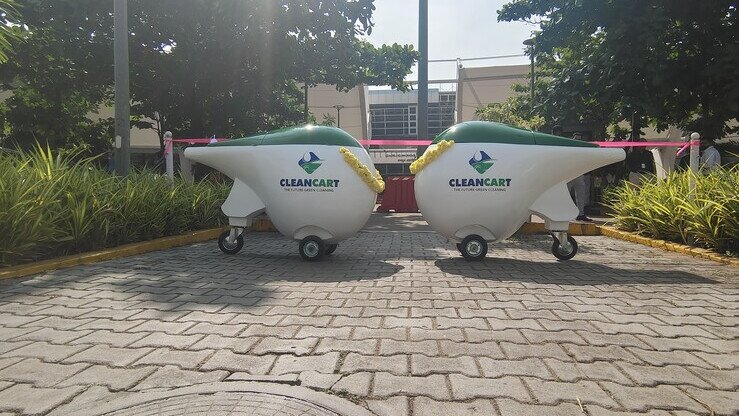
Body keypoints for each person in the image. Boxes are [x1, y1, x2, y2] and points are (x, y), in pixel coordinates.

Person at [566, 132, 592, 222]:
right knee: (566, 195)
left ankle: (581, 214)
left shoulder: (582, 149)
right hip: (569, 174)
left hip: (579, 175)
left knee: (581, 195)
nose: (578, 139)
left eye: (579, 138)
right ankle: (565, 213)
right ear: (573, 138)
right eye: (576, 137)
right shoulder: (568, 148)